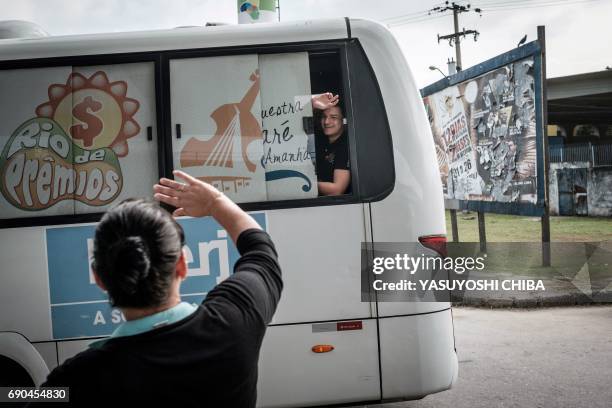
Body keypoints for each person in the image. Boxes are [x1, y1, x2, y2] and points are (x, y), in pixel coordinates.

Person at [38, 170, 282, 407]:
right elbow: (261, 254)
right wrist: (215, 202)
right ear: (182, 265)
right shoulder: (234, 323)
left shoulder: (78, 379)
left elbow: (22, 396)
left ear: (98, 278)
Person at [311, 93, 351, 196]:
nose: (327, 122)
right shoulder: (320, 139)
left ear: (343, 121)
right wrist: (313, 102)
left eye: (333, 117)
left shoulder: (345, 146)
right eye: (324, 117)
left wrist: (306, 183)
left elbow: (337, 189)